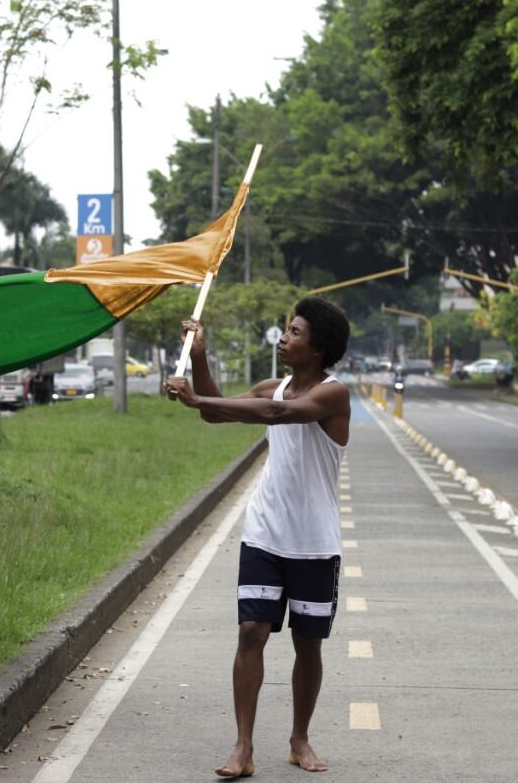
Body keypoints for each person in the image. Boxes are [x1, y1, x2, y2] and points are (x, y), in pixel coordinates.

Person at [164, 297, 351, 779]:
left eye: (294, 332)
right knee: (251, 632)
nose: (284, 337)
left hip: (314, 542)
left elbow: (273, 415)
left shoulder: (334, 395)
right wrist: (199, 359)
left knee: (308, 644)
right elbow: (219, 414)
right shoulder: (275, 385)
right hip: (265, 533)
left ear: (317, 349)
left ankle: (299, 739)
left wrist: (198, 398)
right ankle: (243, 748)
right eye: (286, 329)